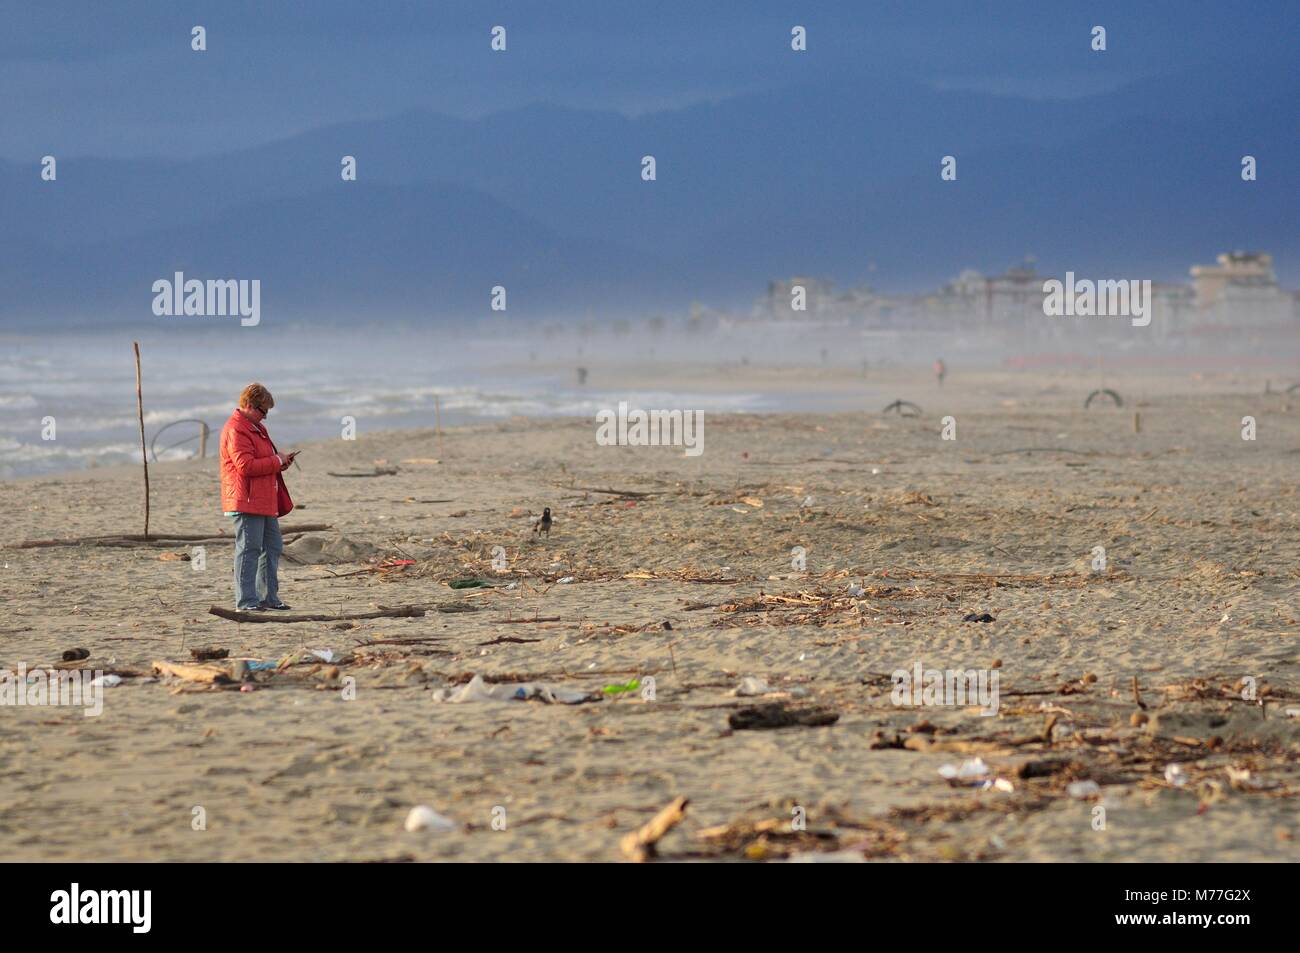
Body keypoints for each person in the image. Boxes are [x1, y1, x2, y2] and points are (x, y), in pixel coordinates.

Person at [219, 383, 298, 610]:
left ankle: (268, 598)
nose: (265, 417)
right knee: (249, 549)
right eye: (263, 411)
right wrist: (276, 460)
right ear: (249, 405)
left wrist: (280, 464)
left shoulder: (256, 427)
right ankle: (246, 601)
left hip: (264, 498)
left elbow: (261, 462)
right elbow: (245, 466)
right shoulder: (237, 429)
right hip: (246, 499)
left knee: (272, 546)